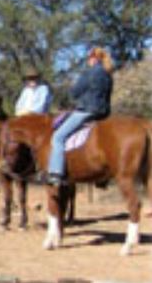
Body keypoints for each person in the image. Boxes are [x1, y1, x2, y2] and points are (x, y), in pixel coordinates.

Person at [46, 47, 114, 185]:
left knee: (58, 137)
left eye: (89, 58)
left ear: (93, 58)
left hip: (87, 111)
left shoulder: (90, 73)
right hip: (104, 113)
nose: (88, 61)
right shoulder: (108, 75)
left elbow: (75, 92)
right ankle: (102, 178)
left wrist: (70, 95)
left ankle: (56, 173)